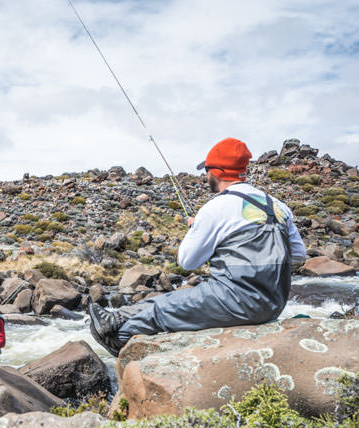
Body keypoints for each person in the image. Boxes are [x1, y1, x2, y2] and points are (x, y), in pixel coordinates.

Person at [88, 137, 306, 356]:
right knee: (174, 300)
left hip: (236, 301)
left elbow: (187, 261)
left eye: (207, 171)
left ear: (217, 172)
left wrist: (195, 230)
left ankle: (121, 342)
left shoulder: (217, 207)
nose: (206, 176)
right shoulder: (278, 206)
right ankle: (116, 318)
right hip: (274, 304)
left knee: (163, 309)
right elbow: (298, 256)